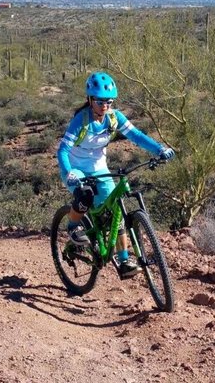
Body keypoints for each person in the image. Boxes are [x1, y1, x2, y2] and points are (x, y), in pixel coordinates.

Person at [56, 71, 175, 278]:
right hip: (75, 168)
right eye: (100, 102)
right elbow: (62, 151)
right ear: (90, 100)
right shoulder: (80, 120)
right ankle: (74, 225)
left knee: (116, 212)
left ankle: (123, 260)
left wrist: (159, 150)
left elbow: (136, 136)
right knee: (84, 195)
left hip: (99, 167)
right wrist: (69, 173)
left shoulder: (113, 117)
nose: (105, 106)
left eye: (109, 102)